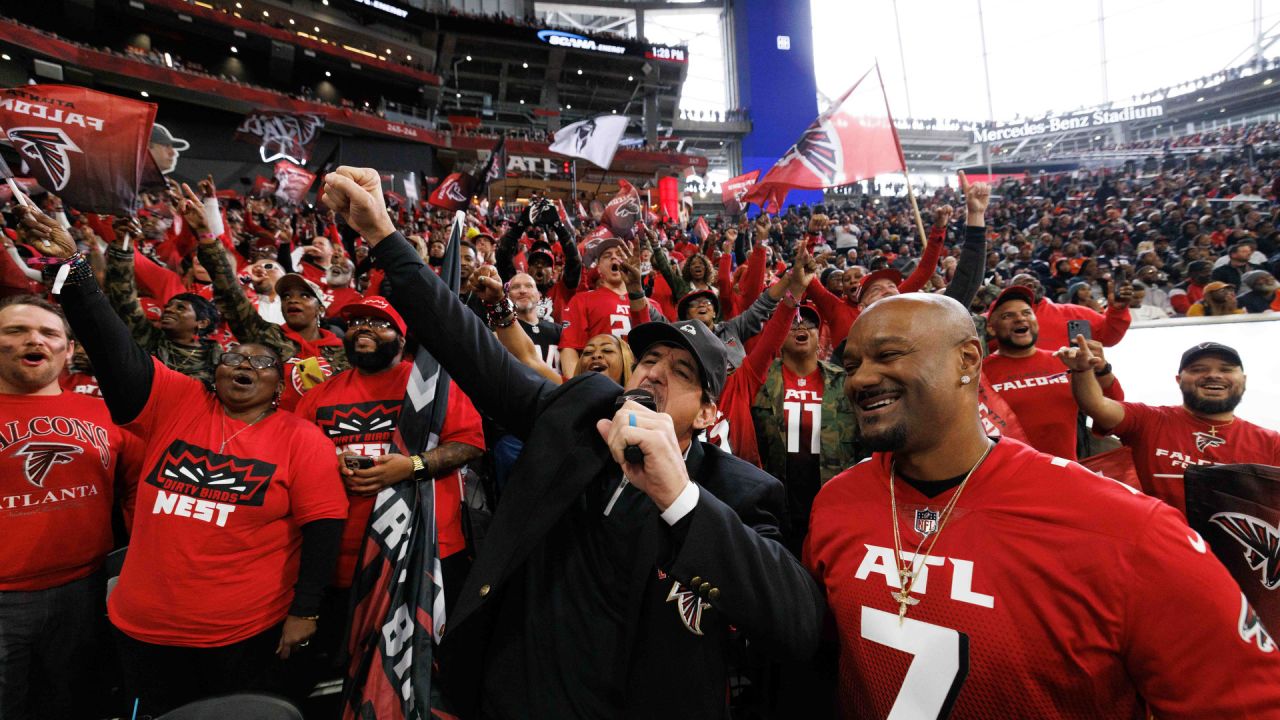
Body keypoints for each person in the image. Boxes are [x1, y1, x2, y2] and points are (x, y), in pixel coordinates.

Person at [319, 166, 824, 718]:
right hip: (517, 695)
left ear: (708, 412)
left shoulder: (741, 491)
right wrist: (385, 238)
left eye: (681, 371)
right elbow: (468, 346)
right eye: (648, 359)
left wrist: (680, 498)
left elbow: (798, 622)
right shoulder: (578, 414)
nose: (654, 374)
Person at [807, 293, 1280, 718]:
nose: (862, 379)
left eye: (888, 355)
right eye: (851, 365)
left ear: (968, 359)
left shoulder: (1127, 530)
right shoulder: (835, 503)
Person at [22, 203, 349, 717]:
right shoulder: (179, 401)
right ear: (215, 370)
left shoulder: (300, 437)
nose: (243, 365)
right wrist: (74, 269)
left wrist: (306, 610)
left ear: (279, 381)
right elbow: (114, 348)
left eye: (259, 362)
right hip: (143, 628)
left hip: (243, 631)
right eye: (233, 359)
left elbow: (324, 527)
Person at [294, 295, 484, 666]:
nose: (364, 327)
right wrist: (330, 462)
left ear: (401, 339)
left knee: (431, 666)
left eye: (380, 323)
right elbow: (292, 455)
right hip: (344, 558)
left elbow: (470, 444)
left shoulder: (430, 386)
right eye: (355, 322)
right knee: (357, 668)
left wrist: (411, 465)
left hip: (426, 550)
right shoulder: (318, 397)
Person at [0, 295, 129, 720]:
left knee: (74, 704)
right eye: (15, 331)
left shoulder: (109, 414)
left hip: (86, 589)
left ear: (69, 350)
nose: (33, 340)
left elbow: (134, 494)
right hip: (4, 598)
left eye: (49, 333)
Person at [1059, 340, 1280, 516]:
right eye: (1198, 369)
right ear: (1178, 379)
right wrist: (1082, 372)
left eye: (1226, 369)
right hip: (1158, 554)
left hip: (1237, 565)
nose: (1214, 375)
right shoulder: (1149, 419)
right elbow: (1097, 406)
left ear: (1243, 379)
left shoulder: (1272, 443)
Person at [185, 186, 350, 410]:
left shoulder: (343, 352)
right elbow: (230, 294)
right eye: (287, 296)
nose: (293, 300)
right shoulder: (266, 336)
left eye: (304, 295)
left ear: (321, 309)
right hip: (271, 431)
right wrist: (206, 235)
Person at [981, 285, 1121, 460]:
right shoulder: (980, 373)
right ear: (991, 328)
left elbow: (1115, 413)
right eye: (1007, 315)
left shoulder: (1066, 362)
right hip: (1009, 479)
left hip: (1065, 476)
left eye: (1026, 313)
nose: (1019, 318)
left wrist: (1101, 369)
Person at [104, 216, 222, 385]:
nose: (169, 310)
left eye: (180, 308)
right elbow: (122, 295)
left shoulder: (217, 358)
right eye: (168, 306)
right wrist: (123, 246)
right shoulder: (149, 338)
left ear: (202, 323)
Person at [558, 238, 652, 377]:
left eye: (620, 254)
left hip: (640, 383)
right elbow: (570, 348)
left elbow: (654, 348)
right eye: (607, 255)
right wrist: (576, 389)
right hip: (602, 383)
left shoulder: (651, 304)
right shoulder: (582, 300)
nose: (614, 257)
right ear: (599, 267)